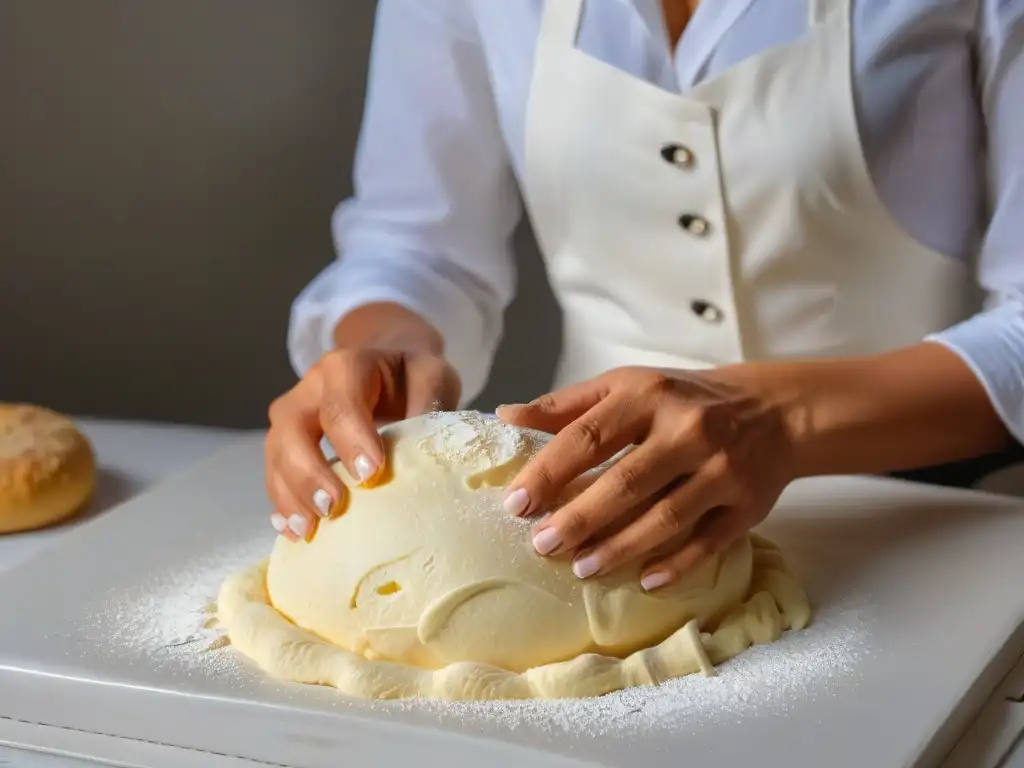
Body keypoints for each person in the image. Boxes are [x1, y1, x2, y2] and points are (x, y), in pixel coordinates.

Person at [265, 0, 1024, 592]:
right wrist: (391, 348)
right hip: (586, 522)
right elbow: (416, 245)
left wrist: (782, 418)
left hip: (936, 524)